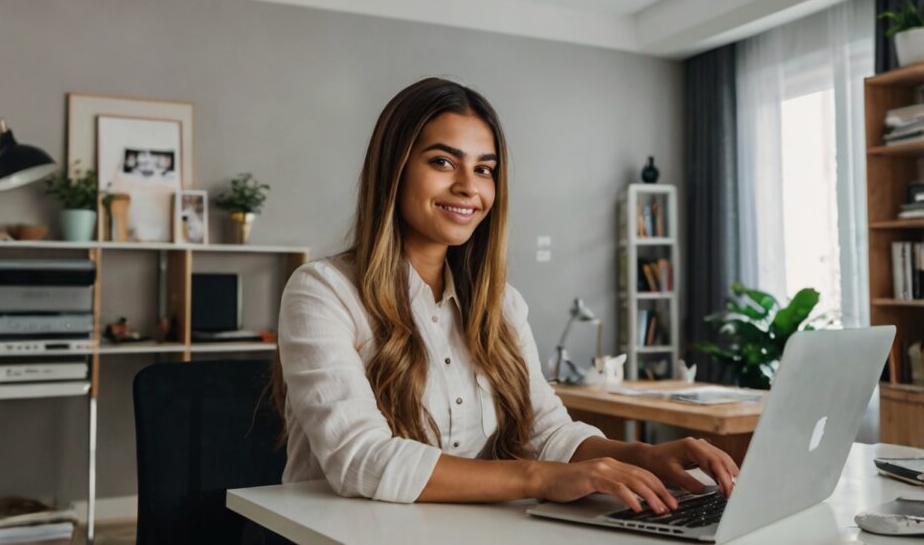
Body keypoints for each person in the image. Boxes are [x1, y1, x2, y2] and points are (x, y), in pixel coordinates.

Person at [271, 77, 739, 513]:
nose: (469, 186)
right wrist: (538, 479)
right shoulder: (322, 292)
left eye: (484, 169)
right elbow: (360, 458)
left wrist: (644, 455)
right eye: (442, 161)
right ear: (393, 168)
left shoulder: (503, 305)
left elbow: (548, 431)